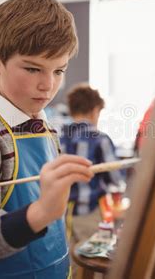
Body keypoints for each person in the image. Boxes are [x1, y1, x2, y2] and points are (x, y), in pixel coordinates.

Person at [0, 0, 94, 279]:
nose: (48, 86)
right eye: (32, 68)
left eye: (59, 70)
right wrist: (40, 213)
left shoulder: (46, 126)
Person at [60, 83, 126, 243]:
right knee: (92, 261)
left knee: (70, 264)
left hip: (61, 215)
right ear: (95, 110)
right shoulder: (99, 139)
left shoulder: (58, 137)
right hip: (90, 214)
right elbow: (116, 178)